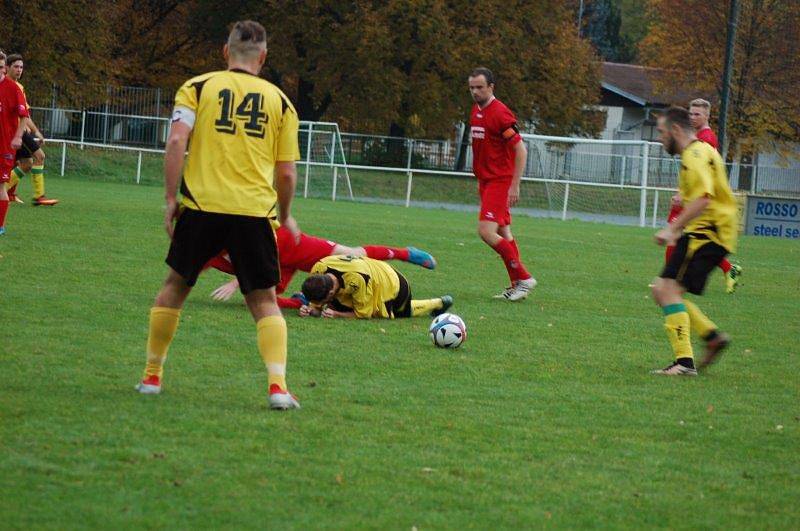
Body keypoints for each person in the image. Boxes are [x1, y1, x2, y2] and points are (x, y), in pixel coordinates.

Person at [135, 20, 301, 409]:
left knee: (175, 285)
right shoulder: (281, 102)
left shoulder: (197, 87)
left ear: (226, 52)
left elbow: (177, 140)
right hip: (254, 212)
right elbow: (287, 171)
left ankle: (152, 377)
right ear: (263, 56)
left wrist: (170, 198)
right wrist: (286, 213)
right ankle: (277, 388)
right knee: (263, 300)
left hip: (201, 206)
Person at [651, 106, 738, 376]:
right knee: (661, 289)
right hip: (705, 232)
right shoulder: (701, 151)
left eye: (662, 132)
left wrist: (672, 228)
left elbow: (703, 198)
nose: (660, 138)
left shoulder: (694, 155)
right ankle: (711, 338)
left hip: (708, 234)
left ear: (676, 130)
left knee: (667, 291)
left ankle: (684, 363)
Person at [206, 224, 437, 308]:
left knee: (353, 255)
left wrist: (236, 282)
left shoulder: (232, 231)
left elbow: (260, 250)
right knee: (261, 302)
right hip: (274, 267)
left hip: (291, 245)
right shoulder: (208, 252)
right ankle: (302, 302)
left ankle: (406, 253)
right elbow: (187, 270)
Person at [468, 67, 536, 301]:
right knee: (504, 232)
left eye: (480, 87)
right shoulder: (475, 110)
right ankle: (517, 284)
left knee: (486, 232)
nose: (475, 92)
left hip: (500, 181)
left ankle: (524, 278)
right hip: (486, 181)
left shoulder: (501, 113)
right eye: (472, 88)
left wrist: (514, 185)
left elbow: (521, 149)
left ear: (491, 87)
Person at [664, 98, 741, 293]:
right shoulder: (695, 136)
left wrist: (682, 195)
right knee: (681, 237)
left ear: (707, 116)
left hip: (701, 201)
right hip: (694, 197)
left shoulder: (706, 138)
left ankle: (669, 279)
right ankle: (671, 279)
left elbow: (702, 174)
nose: (692, 117)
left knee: (674, 234)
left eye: (697, 114)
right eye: (690, 113)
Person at [299, 255, 452, 319]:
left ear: (331, 292)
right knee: (341, 304)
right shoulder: (319, 268)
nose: (319, 303)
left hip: (392, 285)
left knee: (398, 314)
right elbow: (318, 303)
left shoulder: (357, 279)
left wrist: (337, 315)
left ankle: (438, 303)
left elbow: (363, 314)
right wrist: (311, 308)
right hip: (373, 271)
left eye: (321, 301)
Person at [4, 54, 58, 206]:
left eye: (21, 67)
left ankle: (8, 191)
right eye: (16, 66)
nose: (19, 70)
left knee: (27, 163)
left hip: (20, 131)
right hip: (14, 132)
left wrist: (36, 131)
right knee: (39, 156)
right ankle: (38, 196)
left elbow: (25, 115)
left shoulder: (19, 87)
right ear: (7, 68)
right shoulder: (5, 86)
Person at [0, 51, 30, 235]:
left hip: (3, 146)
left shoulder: (13, 88)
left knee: (0, 186)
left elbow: (24, 116)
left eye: (1, 67)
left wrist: (18, 137)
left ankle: (0, 225)